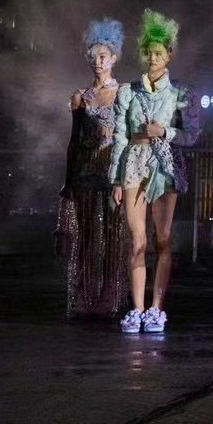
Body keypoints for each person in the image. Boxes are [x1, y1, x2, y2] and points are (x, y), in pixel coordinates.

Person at [110, 10, 196, 333]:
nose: (153, 57)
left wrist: (165, 132)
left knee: (162, 239)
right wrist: (116, 179)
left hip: (165, 165)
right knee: (137, 240)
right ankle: (137, 308)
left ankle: (157, 308)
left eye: (159, 52)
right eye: (148, 52)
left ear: (169, 55)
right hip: (134, 162)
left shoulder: (180, 93)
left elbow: (192, 135)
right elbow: (119, 136)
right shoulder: (128, 91)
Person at [59, 18, 128, 318]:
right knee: (86, 234)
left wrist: (123, 177)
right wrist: (67, 182)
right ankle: (84, 296)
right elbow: (73, 142)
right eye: (94, 56)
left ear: (113, 58)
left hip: (113, 173)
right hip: (85, 173)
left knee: (113, 235)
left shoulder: (124, 93)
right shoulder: (80, 97)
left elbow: (128, 138)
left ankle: (110, 297)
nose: (98, 61)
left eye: (103, 56)